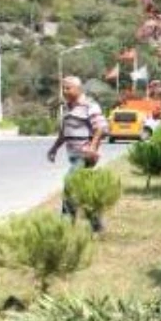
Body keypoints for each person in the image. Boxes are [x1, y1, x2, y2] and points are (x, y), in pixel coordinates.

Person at [47, 76, 107, 233]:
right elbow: (64, 133)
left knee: (70, 183)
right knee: (84, 191)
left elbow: (101, 128)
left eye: (68, 88)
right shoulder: (68, 108)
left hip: (84, 156)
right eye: (63, 88)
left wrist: (92, 148)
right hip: (73, 156)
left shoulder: (90, 106)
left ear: (78, 89)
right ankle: (97, 226)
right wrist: (54, 148)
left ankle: (66, 225)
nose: (64, 91)